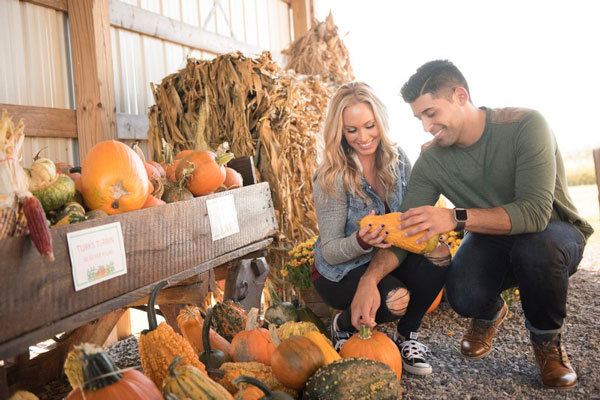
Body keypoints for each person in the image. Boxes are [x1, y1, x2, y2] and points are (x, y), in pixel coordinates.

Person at [389, 59, 593, 389]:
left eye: (431, 113)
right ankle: (489, 312)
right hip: (490, 237)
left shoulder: (526, 124)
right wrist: (371, 273)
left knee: (537, 248)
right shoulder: (432, 159)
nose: (426, 126)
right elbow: (407, 226)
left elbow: (534, 214)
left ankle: (547, 344)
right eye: (419, 118)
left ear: (459, 96)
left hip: (553, 232)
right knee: (462, 295)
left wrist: (453, 218)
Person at [311, 81, 450, 376]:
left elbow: (414, 214)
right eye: (352, 130)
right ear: (340, 132)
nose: (363, 137)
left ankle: (407, 337)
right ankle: (342, 324)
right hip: (341, 270)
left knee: (438, 255)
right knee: (395, 300)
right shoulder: (331, 176)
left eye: (369, 125)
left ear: (380, 121)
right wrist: (361, 241)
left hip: (388, 260)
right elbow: (332, 251)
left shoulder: (397, 159)